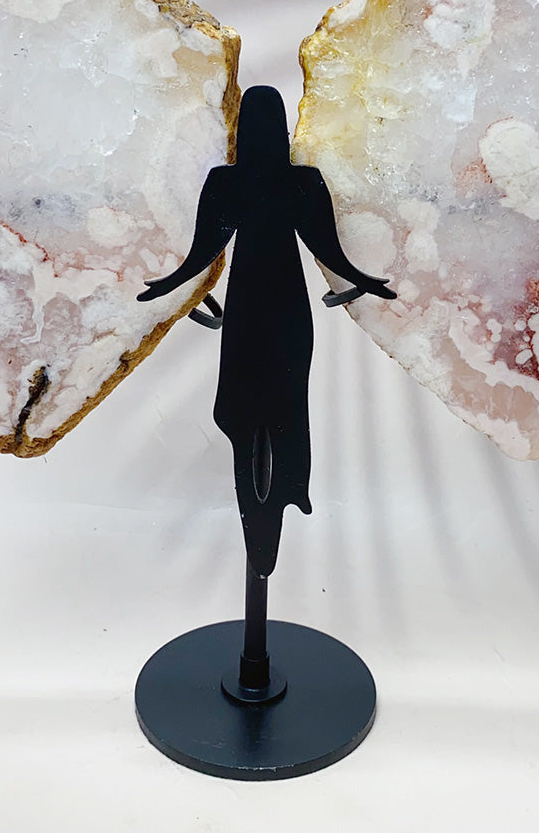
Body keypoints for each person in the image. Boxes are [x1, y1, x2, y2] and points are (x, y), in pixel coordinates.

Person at [138, 85, 395, 577]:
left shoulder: (239, 181)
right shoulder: (290, 181)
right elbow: (324, 251)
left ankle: (277, 508)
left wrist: (169, 286)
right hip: (282, 307)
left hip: (252, 308)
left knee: (267, 406)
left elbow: (205, 254)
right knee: (270, 405)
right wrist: (363, 281)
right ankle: (269, 521)